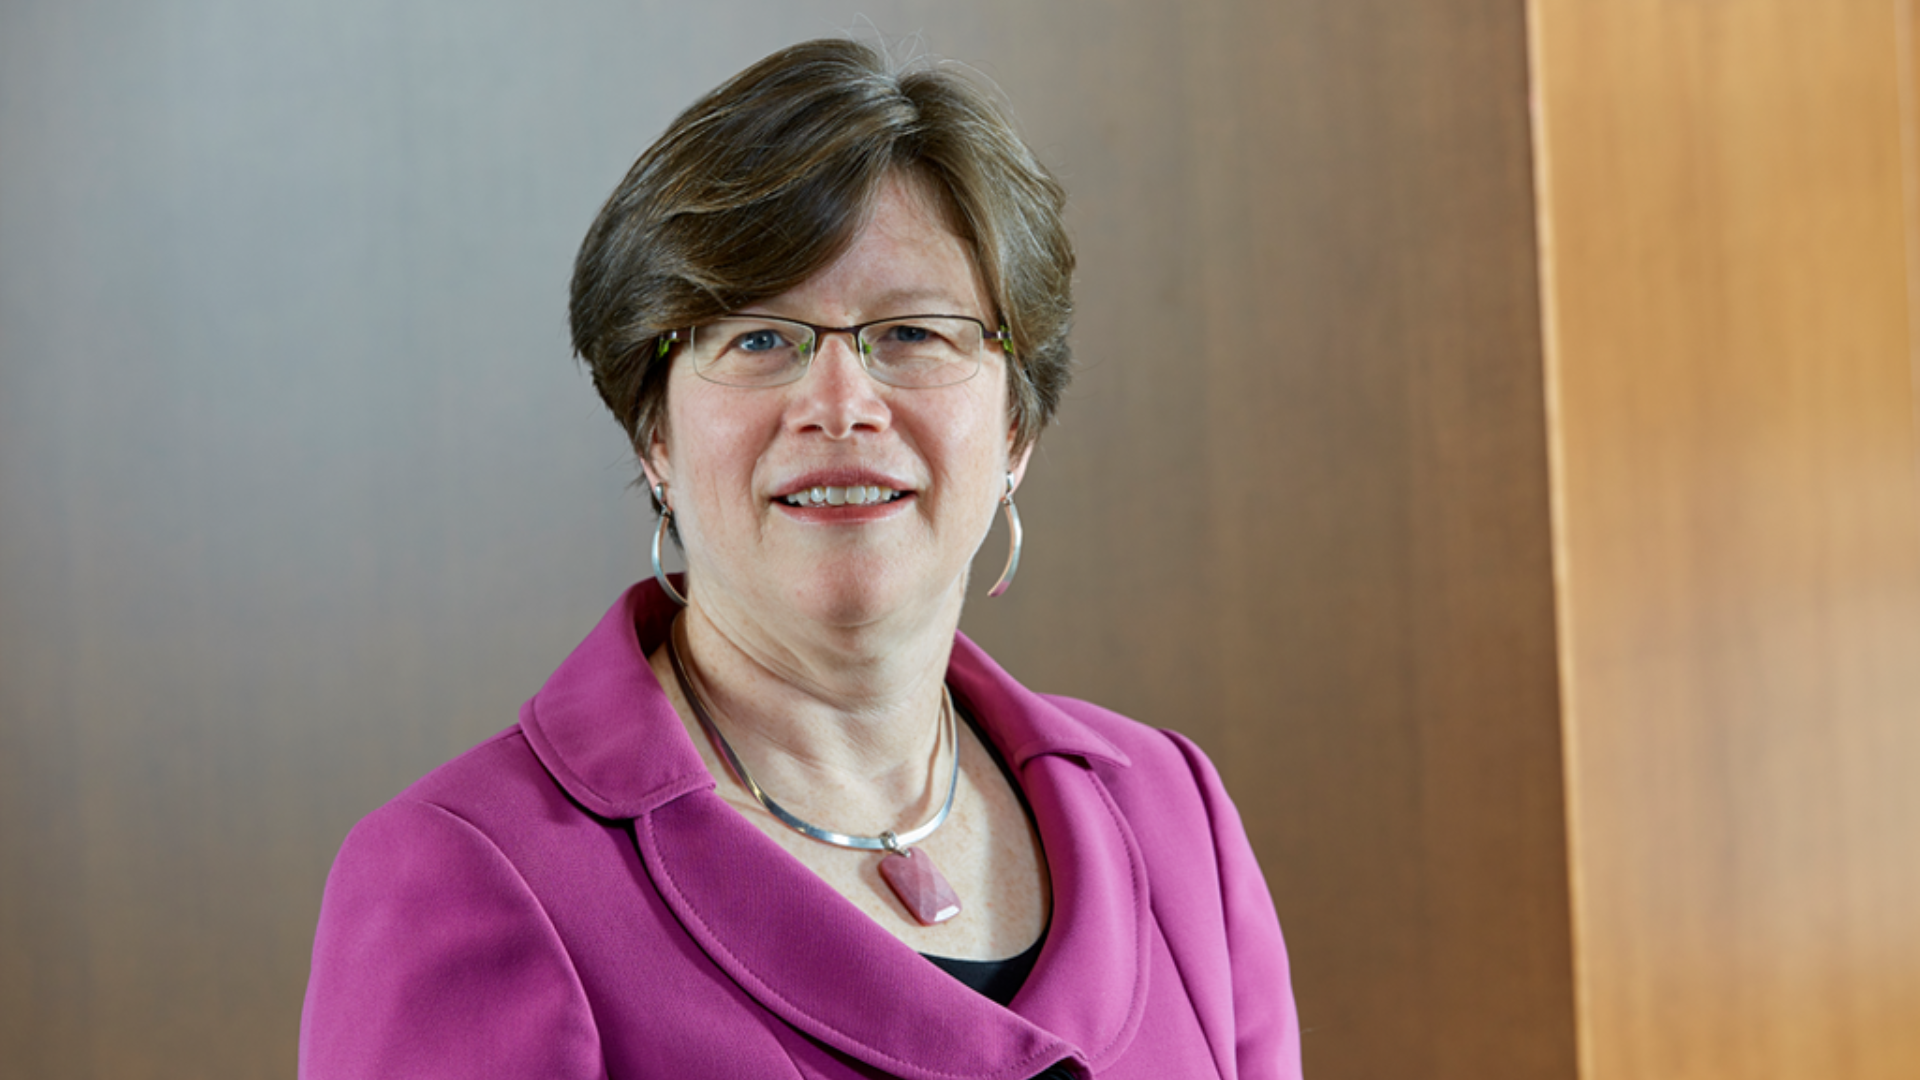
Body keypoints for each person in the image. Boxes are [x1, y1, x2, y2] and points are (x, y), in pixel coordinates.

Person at [299, 38, 1301, 1080]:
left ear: (1015, 430)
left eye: (912, 332)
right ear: (654, 434)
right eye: (760, 340)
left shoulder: (1177, 819)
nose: (839, 407)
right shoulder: (465, 871)